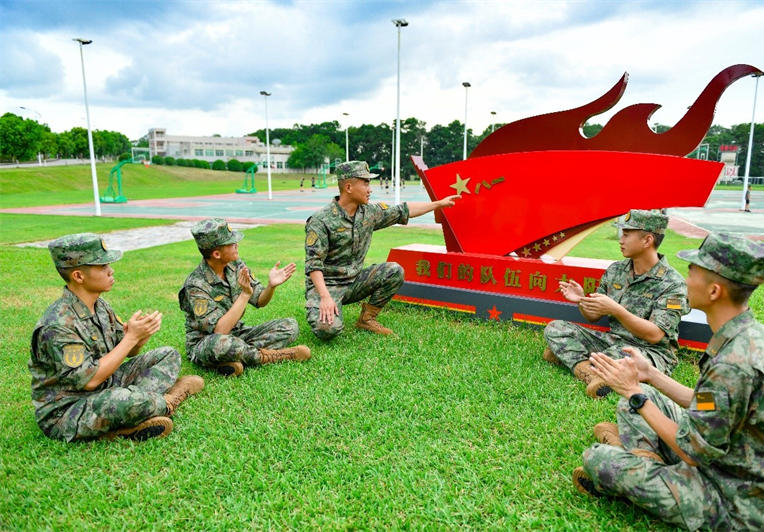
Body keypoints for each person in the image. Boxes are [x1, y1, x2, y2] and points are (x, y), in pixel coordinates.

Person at [573, 232, 764, 530]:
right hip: (738, 459)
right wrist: (649, 375)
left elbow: (692, 452)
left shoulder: (735, 364)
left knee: (598, 459)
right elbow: (707, 403)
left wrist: (634, 392)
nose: (686, 279)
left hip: (741, 500)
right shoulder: (753, 336)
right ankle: (642, 456)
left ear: (714, 291)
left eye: (693, 272)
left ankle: (635, 460)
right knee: (649, 398)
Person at [30, 233, 204, 442]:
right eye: (102, 266)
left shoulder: (100, 307)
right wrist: (131, 338)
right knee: (125, 401)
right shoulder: (58, 325)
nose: (111, 271)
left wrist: (139, 336)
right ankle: (163, 402)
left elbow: (129, 351)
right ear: (78, 276)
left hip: (107, 385)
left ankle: (140, 410)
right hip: (69, 410)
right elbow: (90, 381)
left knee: (168, 355)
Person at [304, 160, 459, 340]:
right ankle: (327, 307)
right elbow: (313, 264)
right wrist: (324, 297)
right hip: (327, 286)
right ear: (348, 187)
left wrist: (438, 204)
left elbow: (403, 210)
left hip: (354, 282)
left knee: (394, 271)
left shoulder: (369, 213)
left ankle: (367, 318)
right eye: (366, 183)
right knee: (327, 330)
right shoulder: (320, 220)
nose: (370, 189)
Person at [542, 209, 689, 398]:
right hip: (613, 341)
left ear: (647, 240)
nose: (621, 240)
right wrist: (581, 300)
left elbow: (655, 335)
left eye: (627, 235)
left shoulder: (673, 283)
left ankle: (574, 359)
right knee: (556, 328)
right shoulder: (615, 271)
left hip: (650, 352)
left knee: (619, 357)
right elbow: (593, 317)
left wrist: (617, 310)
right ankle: (591, 372)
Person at [179, 218, 310, 377]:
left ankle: (234, 359)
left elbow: (260, 300)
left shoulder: (236, 265)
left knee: (290, 326)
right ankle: (269, 356)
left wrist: (271, 286)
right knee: (222, 344)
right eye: (231, 243)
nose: (237, 244)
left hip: (238, 334)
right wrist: (244, 294)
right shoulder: (195, 285)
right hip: (207, 342)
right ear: (216, 254)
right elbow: (220, 331)